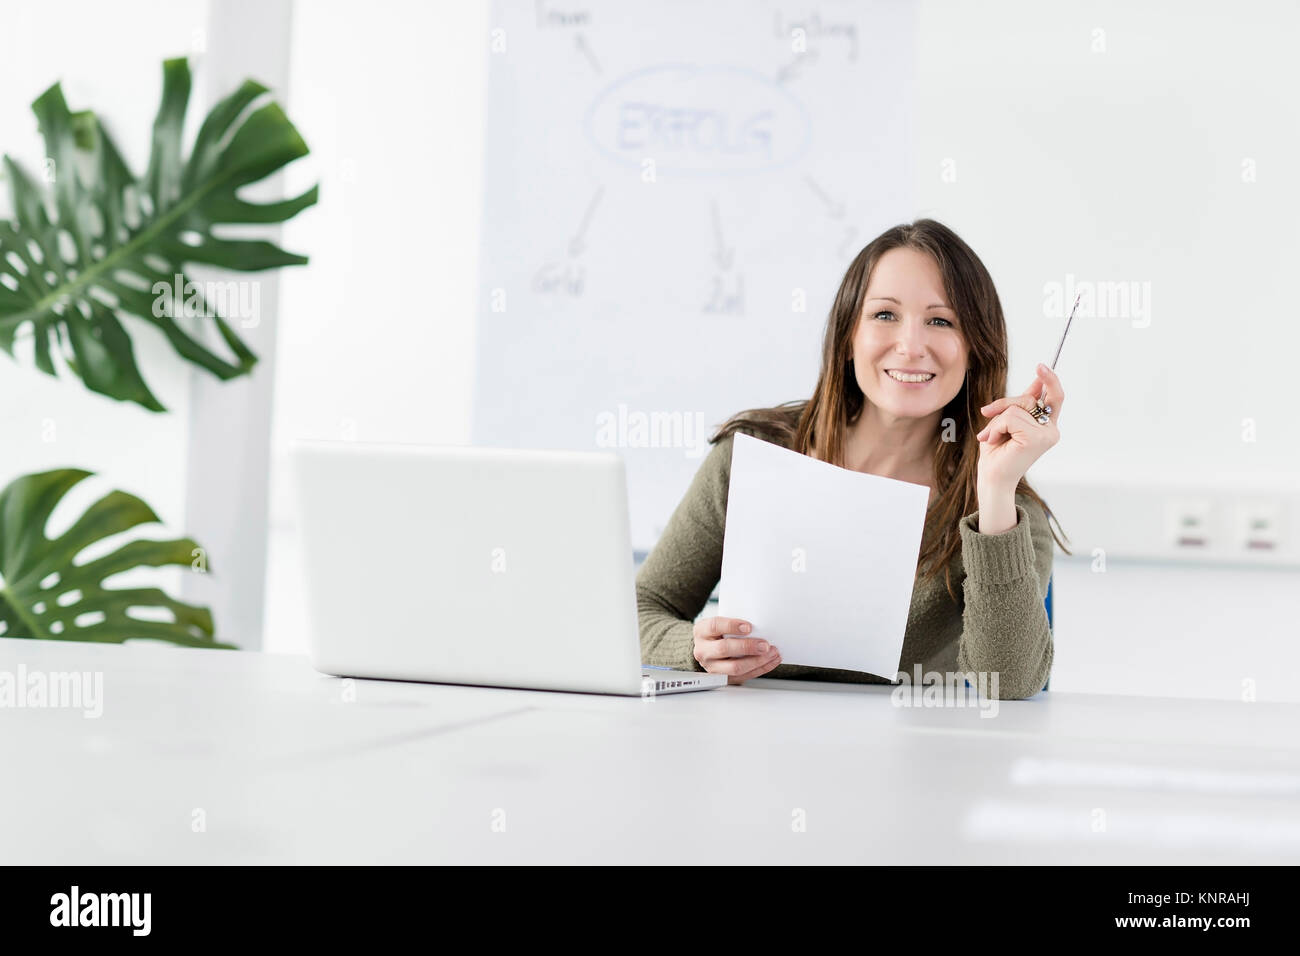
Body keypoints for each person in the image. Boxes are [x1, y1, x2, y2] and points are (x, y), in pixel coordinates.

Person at [636, 219, 1070, 700]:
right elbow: (642, 609)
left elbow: (1009, 683)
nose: (909, 346)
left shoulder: (1007, 511)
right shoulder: (754, 457)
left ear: (975, 351)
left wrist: (993, 492)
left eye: (941, 321)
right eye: (885, 315)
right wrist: (693, 650)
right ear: (847, 335)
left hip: (915, 763)